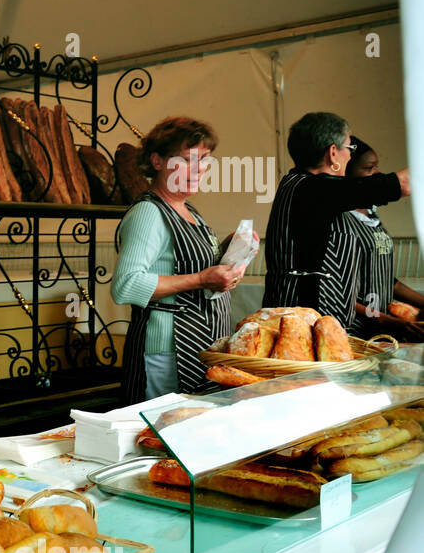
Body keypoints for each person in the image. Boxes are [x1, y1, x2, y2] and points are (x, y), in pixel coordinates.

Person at [112, 117, 244, 404]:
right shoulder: (148, 213)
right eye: (187, 160)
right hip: (168, 349)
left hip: (202, 345)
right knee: (166, 435)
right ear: (157, 161)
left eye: (205, 160)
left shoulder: (189, 211)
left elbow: (187, 264)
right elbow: (126, 285)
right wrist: (200, 280)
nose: (199, 170)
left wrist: (230, 249)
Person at [262, 113, 410, 327]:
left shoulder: (302, 185)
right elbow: (402, 185)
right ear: (333, 153)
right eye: (349, 149)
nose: (350, 157)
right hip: (302, 325)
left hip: (314, 322)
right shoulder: (314, 189)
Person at [344, 137, 424, 338]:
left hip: (382, 327)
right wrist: (391, 322)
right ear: (346, 173)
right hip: (355, 330)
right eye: (369, 168)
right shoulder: (340, 220)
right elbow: (337, 293)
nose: (377, 174)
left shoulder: (371, 213)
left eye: (377, 167)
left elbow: (388, 280)